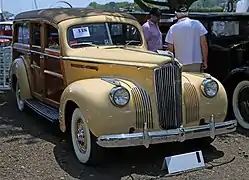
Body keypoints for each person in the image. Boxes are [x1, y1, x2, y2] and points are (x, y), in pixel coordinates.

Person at [165, 5, 208, 72]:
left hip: (180, 63)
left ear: (176, 15)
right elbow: (204, 44)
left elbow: (170, 49)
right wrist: (205, 61)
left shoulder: (173, 28)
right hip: (196, 62)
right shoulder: (197, 24)